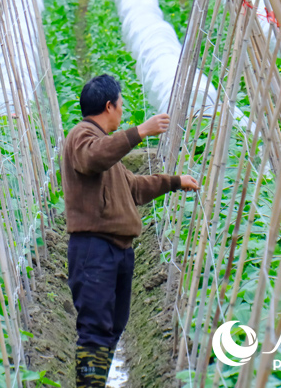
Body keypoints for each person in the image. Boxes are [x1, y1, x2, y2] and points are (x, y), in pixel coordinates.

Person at [62, 75, 199, 387]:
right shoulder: (83, 137)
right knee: (95, 329)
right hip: (93, 250)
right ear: (109, 106)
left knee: (113, 327)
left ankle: (95, 382)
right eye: (121, 106)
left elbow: (134, 187)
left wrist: (175, 182)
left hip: (118, 251)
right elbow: (93, 158)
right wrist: (140, 132)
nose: (122, 112)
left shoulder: (106, 149)